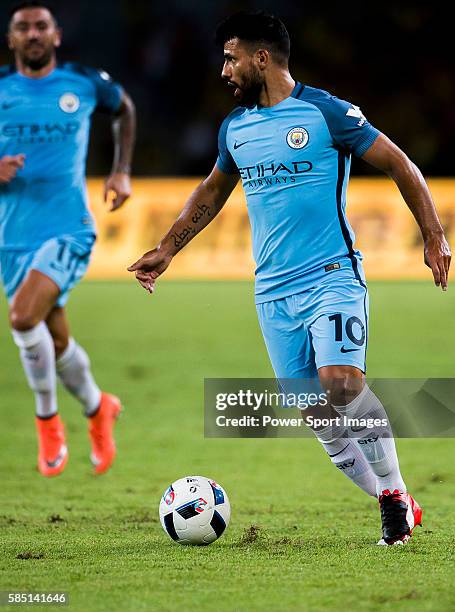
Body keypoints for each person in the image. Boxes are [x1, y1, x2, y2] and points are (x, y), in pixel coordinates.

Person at [128, 11, 451, 544]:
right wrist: (167, 249)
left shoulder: (326, 113)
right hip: (272, 292)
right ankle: (398, 498)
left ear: (262, 58)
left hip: (332, 276)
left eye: (230, 59)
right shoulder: (235, 129)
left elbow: (400, 164)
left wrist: (433, 235)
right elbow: (212, 192)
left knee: (341, 386)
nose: (223, 70)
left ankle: (393, 501)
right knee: (322, 419)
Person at [0, 1, 136, 477]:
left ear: (56, 35)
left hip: (69, 229)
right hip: (12, 238)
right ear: (12, 38)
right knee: (53, 340)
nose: (33, 34)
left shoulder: (82, 82)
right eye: (23, 28)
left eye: (41, 26)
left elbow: (123, 108)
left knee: (21, 318)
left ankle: (47, 419)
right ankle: (100, 407)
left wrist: (120, 171)